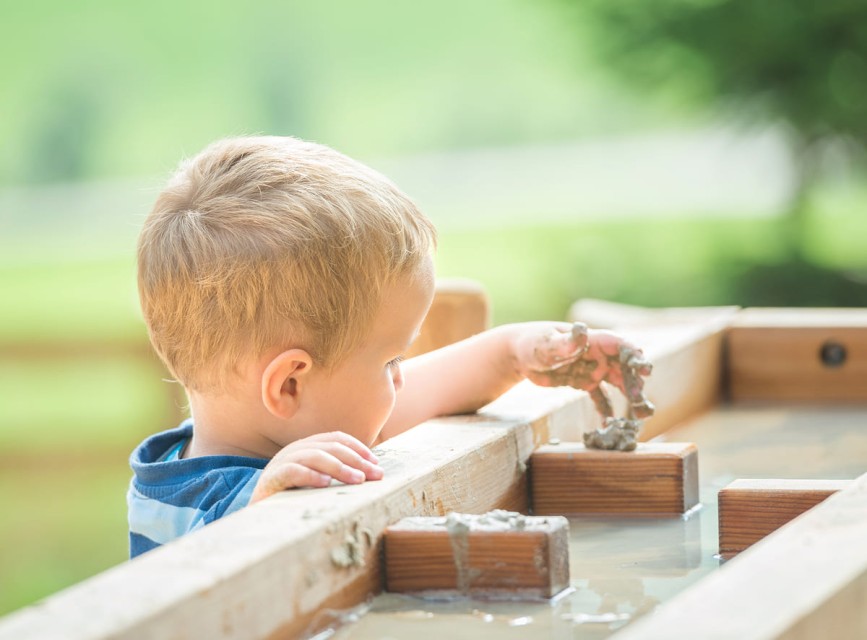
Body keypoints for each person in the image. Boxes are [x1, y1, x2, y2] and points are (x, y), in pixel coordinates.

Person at [128, 136, 653, 558]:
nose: (402, 378)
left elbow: (437, 385)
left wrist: (516, 352)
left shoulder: (310, 420)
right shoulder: (187, 509)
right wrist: (269, 498)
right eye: (391, 360)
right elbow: (226, 548)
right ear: (289, 383)